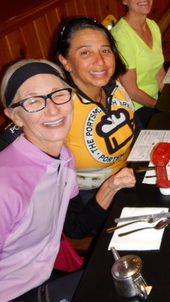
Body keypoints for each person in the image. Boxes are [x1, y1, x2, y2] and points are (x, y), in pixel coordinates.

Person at [0, 59, 135, 301]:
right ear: (15, 116)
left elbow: (75, 227)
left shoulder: (63, 157)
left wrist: (110, 186)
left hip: (42, 278)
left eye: (58, 94)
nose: (53, 109)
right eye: (33, 101)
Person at [55, 17, 138, 202]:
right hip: (91, 198)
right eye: (85, 52)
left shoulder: (116, 89)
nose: (100, 61)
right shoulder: (59, 108)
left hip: (129, 177)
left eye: (105, 50)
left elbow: (135, 125)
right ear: (65, 61)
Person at [111, 0, 166, 127]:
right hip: (134, 108)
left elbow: (160, 74)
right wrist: (162, 107)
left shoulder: (153, 26)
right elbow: (132, 91)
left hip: (154, 100)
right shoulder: (121, 36)